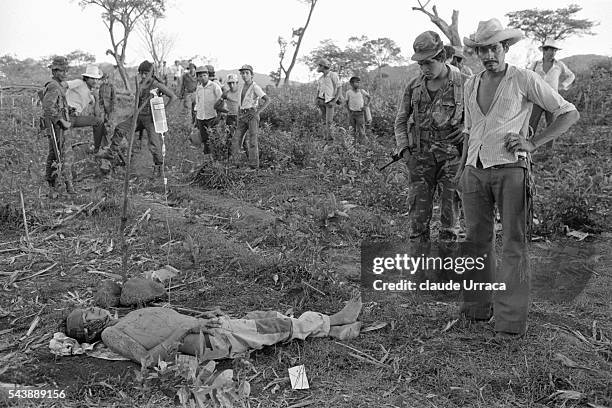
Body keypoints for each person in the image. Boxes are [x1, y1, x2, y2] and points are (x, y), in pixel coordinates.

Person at [458, 19, 579, 340]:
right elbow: (470, 130)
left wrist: (533, 142)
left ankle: (509, 321)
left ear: (505, 48)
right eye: (482, 49)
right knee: (476, 241)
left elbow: (568, 112)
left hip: (511, 170)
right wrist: (462, 170)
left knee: (513, 243)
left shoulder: (524, 78)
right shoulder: (471, 84)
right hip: (474, 170)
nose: (488, 55)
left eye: (494, 48)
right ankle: (476, 309)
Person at [64, 295, 362, 367]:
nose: (96, 310)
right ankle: (334, 319)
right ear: (88, 331)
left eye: (90, 307)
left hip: (206, 328)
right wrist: (187, 331)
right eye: (88, 314)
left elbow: (173, 320)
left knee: (264, 317)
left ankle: (333, 332)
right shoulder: (110, 335)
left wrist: (200, 317)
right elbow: (147, 361)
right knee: (275, 325)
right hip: (209, 340)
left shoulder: (124, 319)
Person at [394, 31, 467, 243]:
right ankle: (420, 267)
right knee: (418, 214)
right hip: (420, 158)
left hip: (452, 158)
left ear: (442, 57)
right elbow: (400, 120)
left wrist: (465, 128)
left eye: (429, 63)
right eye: (421, 64)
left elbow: (481, 119)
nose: (424, 69)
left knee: (450, 214)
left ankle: (445, 267)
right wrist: (404, 150)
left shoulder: (464, 83)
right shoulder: (414, 86)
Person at [97, 60, 177, 176]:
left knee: (154, 144)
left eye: (146, 73)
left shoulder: (156, 84)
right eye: (141, 73)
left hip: (151, 118)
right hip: (138, 116)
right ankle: (111, 152)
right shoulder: (139, 84)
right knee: (120, 128)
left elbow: (173, 97)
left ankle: (158, 167)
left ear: (151, 73)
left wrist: (162, 112)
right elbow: (138, 102)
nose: (144, 76)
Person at [528, 39, 576, 148]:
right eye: (551, 50)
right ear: (545, 51)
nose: (553, 53)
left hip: (552, 99)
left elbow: (571, 75)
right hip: (537, 98)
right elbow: (528, 76)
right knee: (531, 124)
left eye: (555, 51)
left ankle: (549, 149)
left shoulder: (559, 65)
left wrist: (563, 85)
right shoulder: (536, 64)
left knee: (552, 124)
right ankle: (527, 146)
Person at [41, 56, 74, 198]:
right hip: (57, 127)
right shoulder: (54, 85)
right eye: (61, 70)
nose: (64, 73)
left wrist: (68, 109)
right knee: (60, 154)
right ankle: (61, 185)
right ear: (54, 72)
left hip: (60, 125)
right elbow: (48, 107)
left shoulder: (59, 86)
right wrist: (61, 120)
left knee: (57, 154)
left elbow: (57, 105)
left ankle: (55, 184)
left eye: (65, 70)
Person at [230, 64, 271, 170]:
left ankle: (253, 165)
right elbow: (240, 104)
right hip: (243, 115)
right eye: (242, 73)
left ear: (252, 75)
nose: (244, 75)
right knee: (236, 139)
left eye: (247, 73)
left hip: (252, 114)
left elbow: (267, 100)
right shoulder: (242, 87)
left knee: (252, 141)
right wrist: (239, 116)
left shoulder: (255, 87)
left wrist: (257, 112)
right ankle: (235, 163)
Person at [65, 65, 106, 168]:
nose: (94, 81)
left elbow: (97, 114)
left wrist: (96, 99)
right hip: (65, 115)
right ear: (86, 78)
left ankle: (97, 149)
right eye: (92, 78)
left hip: (75, 118)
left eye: (96, 79)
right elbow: (64, 85)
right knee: (64, 146)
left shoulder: (91, 94)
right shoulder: (79, 83)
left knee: (98, 121)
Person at [194, 66, 223, 162]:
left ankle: (217, 160)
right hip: (201, 117)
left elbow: (221, 101)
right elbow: (197, 103)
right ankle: (208, 160)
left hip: (212, 116)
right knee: (204, 139)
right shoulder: (198, 88)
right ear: (198, 77)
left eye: (204, 75)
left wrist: (219, 116)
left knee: (214, 138)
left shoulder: (214, 86)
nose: (203, 77)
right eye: (200, 76)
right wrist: (196, 119)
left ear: (208, 75)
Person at [315, 58, 340, 141]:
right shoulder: (320, 78)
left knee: (329, 122)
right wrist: (316, 99)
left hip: (330, 101)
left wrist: (334, 101)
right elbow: (318, 90)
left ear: (323, 66)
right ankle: (325, 137)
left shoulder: (333, 75)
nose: (318, 67)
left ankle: (330, 140)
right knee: (324, 120)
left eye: (319, 65)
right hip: (321, 101)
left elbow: (339, 88)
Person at [344, 76, 370, 144]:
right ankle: (352, 144)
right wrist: (349, 111)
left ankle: (363, 144)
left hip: (360, 113)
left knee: (361, 129)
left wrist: (366, 106)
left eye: (359, 82)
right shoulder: (348, 92)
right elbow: (346, 103)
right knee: (352, 130)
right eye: (356, 82)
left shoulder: (362, 91)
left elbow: (369, 97)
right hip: (352, 113)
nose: (358, 84)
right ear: (351, 83)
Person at [222, 74, 241, 155]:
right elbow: (217, 105)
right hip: (230, 117)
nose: (231, 85)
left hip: (240, 117)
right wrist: (225, 111)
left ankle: (246, 158)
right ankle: (228, 156)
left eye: (233, 83)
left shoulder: (241, 92)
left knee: (242, 137)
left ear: (237, 82)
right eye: (229, 83)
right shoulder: (226, 93)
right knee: (229, 137)